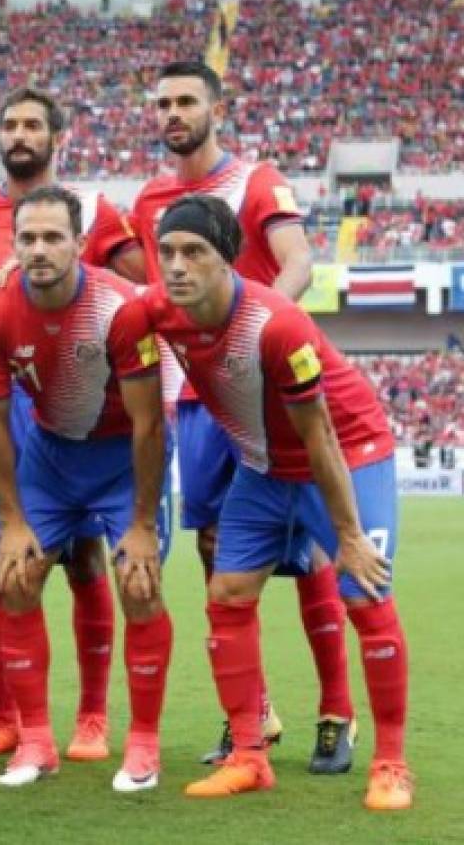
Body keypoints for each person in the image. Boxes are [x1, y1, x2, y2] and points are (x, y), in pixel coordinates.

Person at [121, 194, 411, 810]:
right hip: (262, 464)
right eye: (167, 251)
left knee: (365, 592)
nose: (176, 265)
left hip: (349, 451)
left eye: (193, 252)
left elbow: (320, 435)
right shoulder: (153, 312)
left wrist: (350, 536)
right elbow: (94, 299)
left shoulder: (276, 324)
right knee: (226, 597)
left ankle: (391, 762)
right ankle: (250, 755)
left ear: (227, 261)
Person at [131, 60, 355, 772]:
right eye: (162, 102)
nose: (173, 112)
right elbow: (151, 294)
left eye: (186, 100)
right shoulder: (150, 199)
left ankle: (337, 710)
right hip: (198, 402)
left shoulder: (257, 181)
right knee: (214, 552)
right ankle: (251, 712)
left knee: (313, 546)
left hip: (268, 388)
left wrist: (255, 338)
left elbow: (298, 263)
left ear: (216, 108)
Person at [0, 86, 148, 760]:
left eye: (34, 124)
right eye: (10, 123)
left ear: (57, 137)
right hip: (15, 405)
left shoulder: (93, 208)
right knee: (18, 562)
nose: (21, 134)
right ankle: (10, 716)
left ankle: (93, 715)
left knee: (88, 559)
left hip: (89, 404)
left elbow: (139, 288)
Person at [0, 186, 172, 790]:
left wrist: (139, 523)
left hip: (121, 461)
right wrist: (9, 520)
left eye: (53, 237)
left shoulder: (120, 307)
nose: (38, 249)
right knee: (16, 577)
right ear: (13, 242)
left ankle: (143, 746)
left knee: (138, 584)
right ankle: (36, 743)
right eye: (27, 238)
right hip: (50, 457)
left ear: (81, 245)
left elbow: (149, 424)